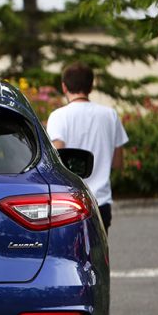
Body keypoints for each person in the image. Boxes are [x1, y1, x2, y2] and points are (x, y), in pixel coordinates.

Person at [47, 62, 128, 233]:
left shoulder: (58, 116)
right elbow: (118, 163)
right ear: (91, 86)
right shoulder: (110, 115)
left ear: (64, 87)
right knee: (98, 257)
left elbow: (56, 160)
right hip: (101, 202)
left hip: (70, 202)